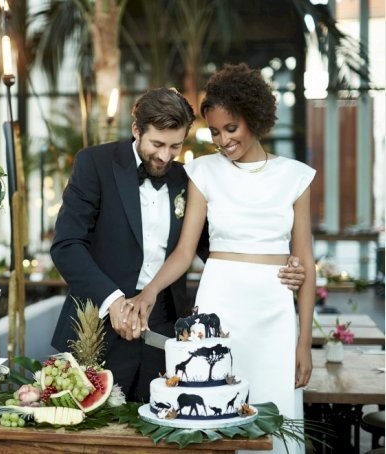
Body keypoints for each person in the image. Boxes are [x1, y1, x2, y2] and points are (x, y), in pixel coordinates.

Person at [50, 87, 306, 403]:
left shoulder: (186, 178)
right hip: (97, 324)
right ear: (136, 130)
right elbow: (66, 245)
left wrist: (283, 263)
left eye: (175, 146)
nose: (164, 156)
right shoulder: (95, 164)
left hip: (162, 329)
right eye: (157, 144)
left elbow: (219, 243)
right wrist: (113, 300)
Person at [129, 64, 315, 453]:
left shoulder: (295, 177)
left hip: (275, 311)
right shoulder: (203, 172)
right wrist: (148, 293)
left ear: (254, 118)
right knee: (214, 410)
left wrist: (304, 343)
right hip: (220, 304)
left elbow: (306, 263)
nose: (223, 140)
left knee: (276, 415)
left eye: (231, 128)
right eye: (214, 132)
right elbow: (184, 253)